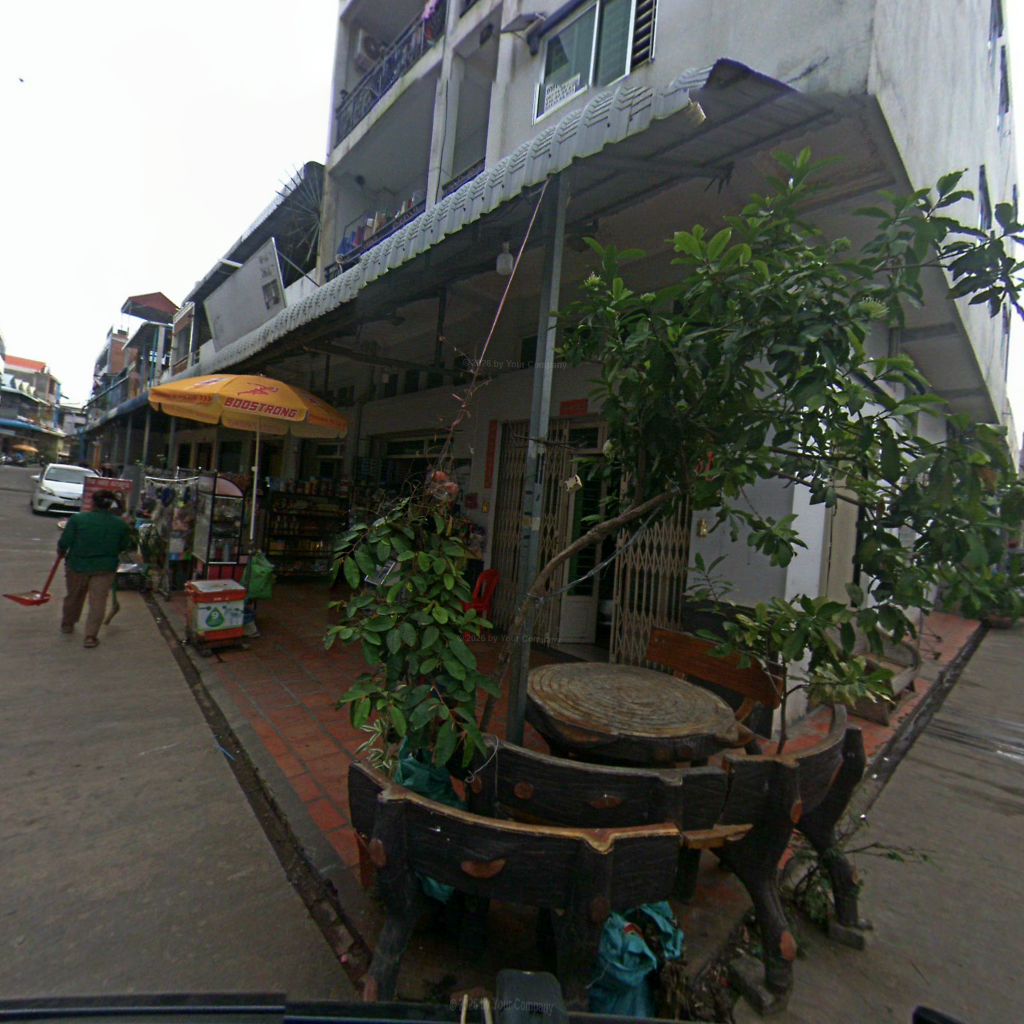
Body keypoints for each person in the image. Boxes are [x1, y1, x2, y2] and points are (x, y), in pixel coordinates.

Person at [58, 489, 132, 648]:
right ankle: (90, 636)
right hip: (105, 568)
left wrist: (61, 551)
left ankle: (67, 624)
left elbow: (65, 541)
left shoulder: (78, 519)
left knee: (74, 596)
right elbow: (124, 546)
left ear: (93, 503)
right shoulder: (120, 524)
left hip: (77, 565)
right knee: (98, 602)